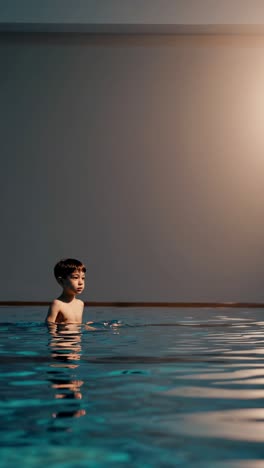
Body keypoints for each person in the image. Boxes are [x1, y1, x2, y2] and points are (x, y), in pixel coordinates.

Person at [46, 258, 93, 325]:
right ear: (61, 281)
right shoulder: (57, 304)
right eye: (75, 277)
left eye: (83, 278)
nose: (81, 282)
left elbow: (76, 327)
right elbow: (49, 326)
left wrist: (85, 326)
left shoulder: (80, 304)